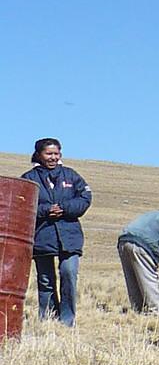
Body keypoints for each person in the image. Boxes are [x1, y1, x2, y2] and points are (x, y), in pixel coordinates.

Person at [20, 138, 91, 326]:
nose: (53, 157)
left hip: (69, 236)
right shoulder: (29, 179)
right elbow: (22, 205)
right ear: (39, 155)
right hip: (42, 236)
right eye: (48, 154)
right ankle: (48, 318)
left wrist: (65, 208)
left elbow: (85, 198)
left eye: (56, 154)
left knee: (68, 273)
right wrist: (45, 210)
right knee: (45, 280)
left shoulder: (71, 176)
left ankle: (67, 320)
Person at [117, 209, 159, 316]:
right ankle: (155, 314)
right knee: (148, 280)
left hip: (124, 241)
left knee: (133, 281)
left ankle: (138, 311)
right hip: (141, 246)